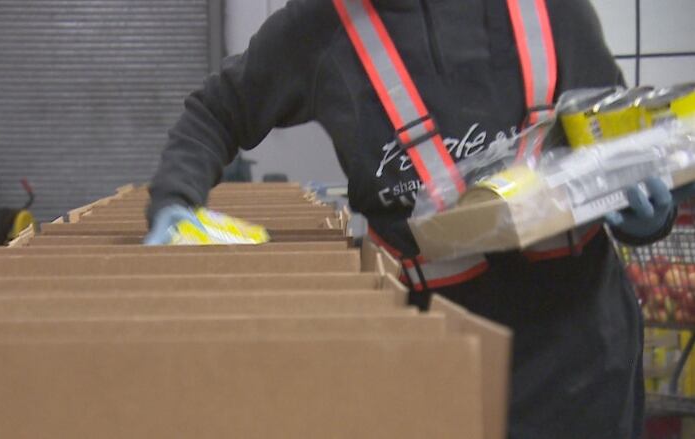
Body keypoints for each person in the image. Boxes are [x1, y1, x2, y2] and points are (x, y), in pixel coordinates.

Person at [144, 0, 693, 437]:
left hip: (584, 359)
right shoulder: (317, 28)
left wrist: (644, 218)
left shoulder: (553, 11)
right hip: (434, 359)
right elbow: (216, 111)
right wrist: (175, 202)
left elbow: (623, 141)